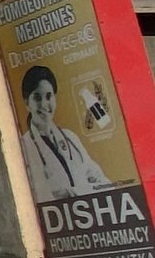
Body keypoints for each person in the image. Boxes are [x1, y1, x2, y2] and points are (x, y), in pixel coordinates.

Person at [18, 64, 111, 204]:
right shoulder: (24, 147)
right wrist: (85, 189)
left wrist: (69, 193)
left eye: (48, 96)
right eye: (37, 98)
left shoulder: (70, 138)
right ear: (27, 103)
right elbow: (40, 197)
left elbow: (104, 183)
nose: (44, 104)